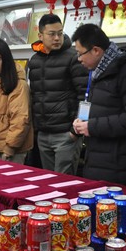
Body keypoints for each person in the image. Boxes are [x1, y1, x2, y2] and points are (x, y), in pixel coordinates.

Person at [71, 24, 126, 187]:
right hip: (97, 159)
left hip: (119, 165)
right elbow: (101, 108)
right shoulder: (98, 72)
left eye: (80, 54)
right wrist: (82, 122)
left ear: (96, 50)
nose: (78, 59)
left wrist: (92, 127)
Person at [29, 13, 89, 174]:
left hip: (66, 134)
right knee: (49, 182)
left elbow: (85, 96)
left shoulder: (74, 58)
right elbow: (34, 96)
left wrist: (75, 131)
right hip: (43, 134)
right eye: (52, 34)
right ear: (40, 36)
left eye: (60, 33)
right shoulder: (34, 61)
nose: (57, 38)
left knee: (64, 183)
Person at [0, 39, 34, 163]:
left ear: (6, 60)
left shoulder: (19, 85)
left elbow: (20, 120)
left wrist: (10, 148)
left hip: (12, 150)